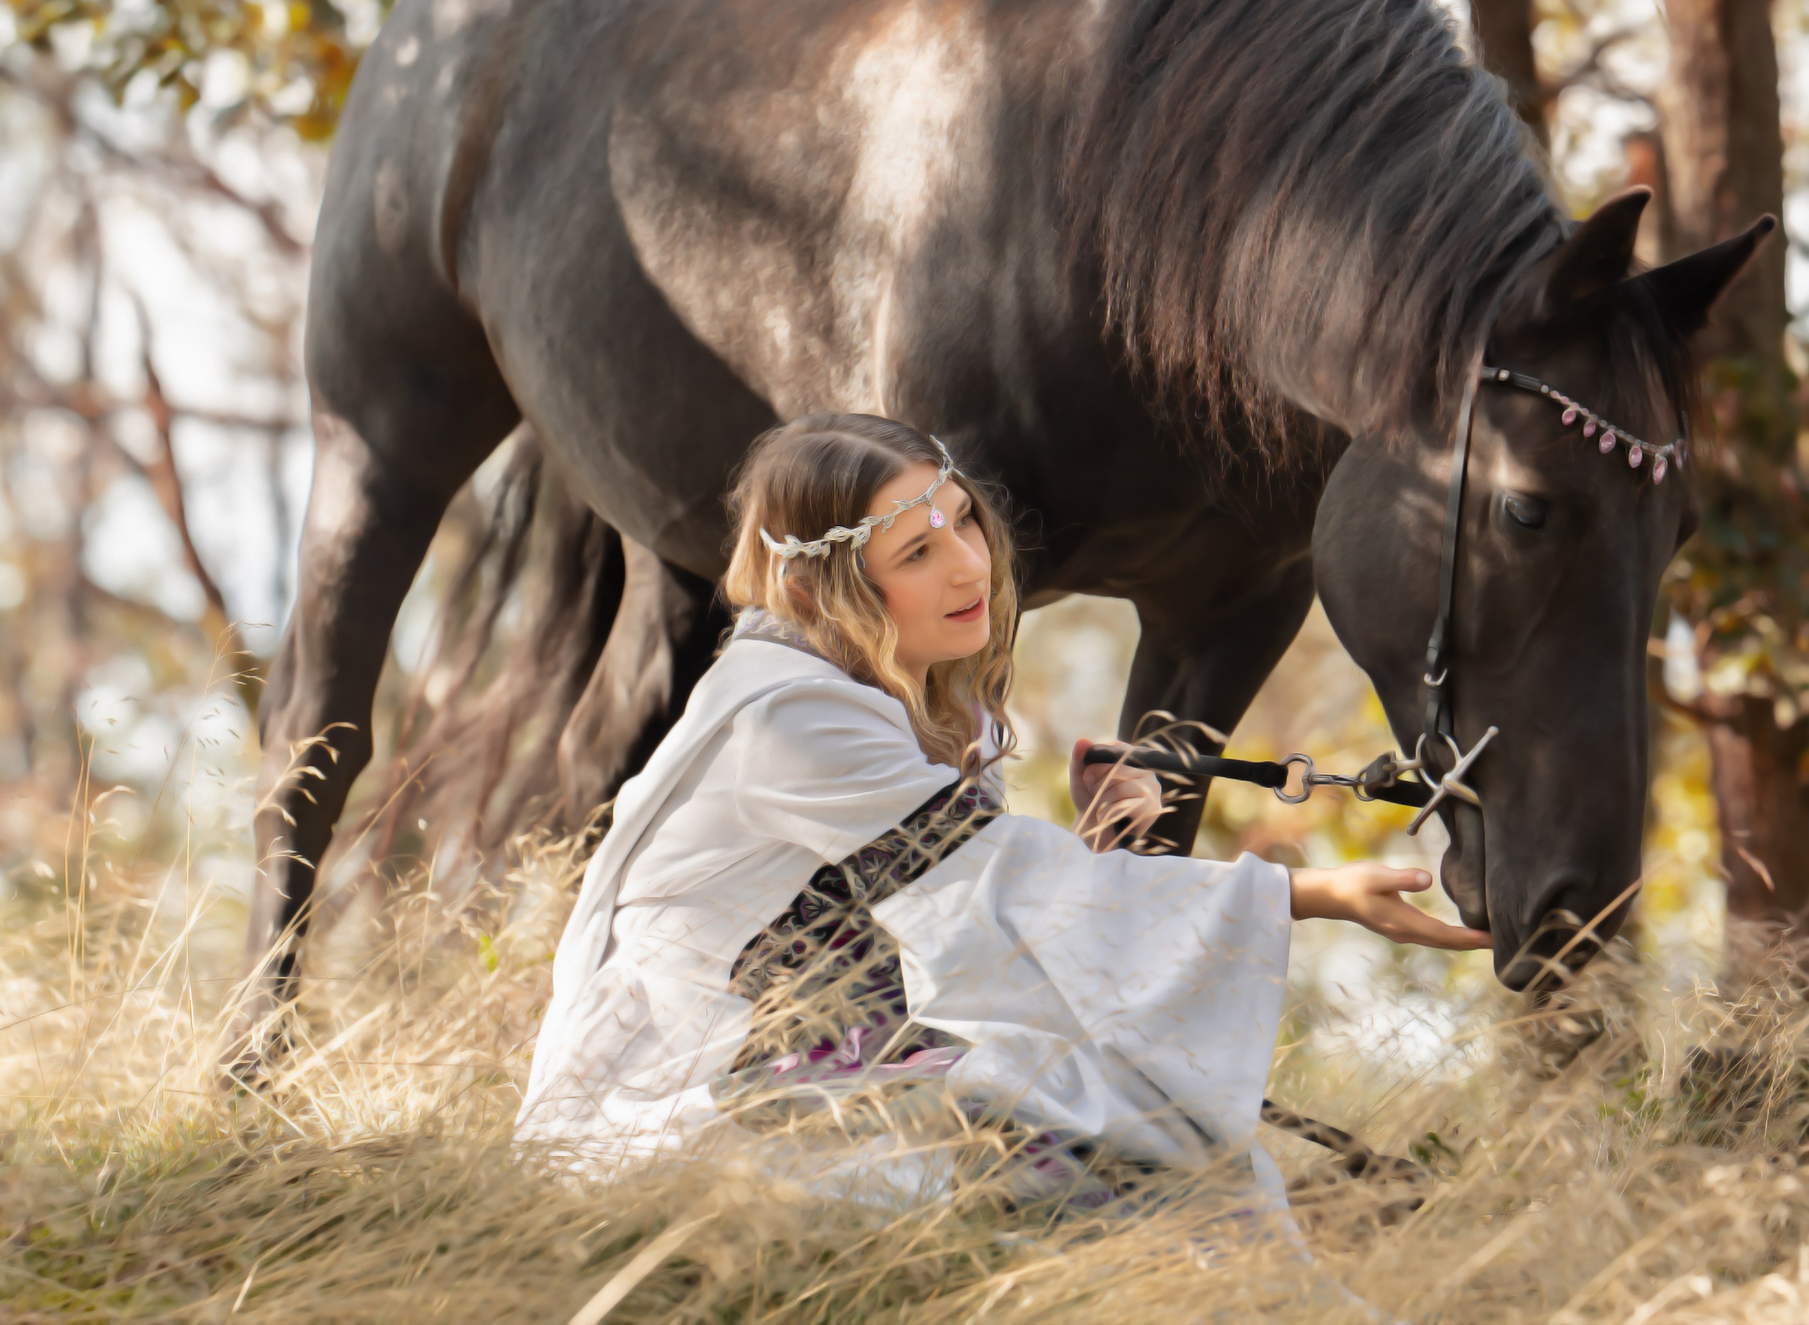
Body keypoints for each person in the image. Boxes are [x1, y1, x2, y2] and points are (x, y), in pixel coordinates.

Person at [516, 412, 1486, 1210]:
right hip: (692, 1092)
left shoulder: (899, 687)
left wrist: (1100, 844)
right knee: (1133, 1171)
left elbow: (972, 914)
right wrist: (1309, 895)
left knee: (1165, 1151)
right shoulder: (791, 716)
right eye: (917, 551)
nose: (970, 567)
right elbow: (999, 893)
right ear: (824, 588)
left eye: (963, 522)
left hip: (829, 1058)